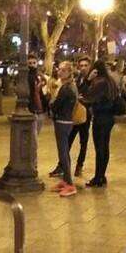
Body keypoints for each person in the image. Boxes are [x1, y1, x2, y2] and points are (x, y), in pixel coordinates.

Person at [85, 60, 118, 187]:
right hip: (110, 117)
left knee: (99, 148)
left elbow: (88, 96)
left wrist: (88, 80)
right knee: (105, 146)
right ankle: (102, 175)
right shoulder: (111, 81)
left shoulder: (100, 82)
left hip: (100, 117)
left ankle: (98, 177)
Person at [49, 61, 78, 197]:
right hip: (65, 120)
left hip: (63, 121)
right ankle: (66, 180)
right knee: (64, 151)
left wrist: (51, 102)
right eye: (59, 69)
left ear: (69, 72)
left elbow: (56, 105)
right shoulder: (68, 86)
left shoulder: (67, 88)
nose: (59, 72)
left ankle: (70, 184)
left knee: (63, 153)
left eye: (63, 70)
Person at [65, 56, 93, 176]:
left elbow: (89, 95)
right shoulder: (78, 78)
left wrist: (87, 83)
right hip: (75, 113)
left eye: (86, 65)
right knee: (68, 140)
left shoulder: (93, 80)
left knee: (83, 141)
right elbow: (76, 94)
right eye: (81, 66)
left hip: (86, 115)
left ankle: (79, 165)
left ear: (90, 66)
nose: (83, 68)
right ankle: (63, 165)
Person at [27, 54, 47, 134]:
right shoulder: (28, 76)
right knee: (33, 132)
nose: (32, 65)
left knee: (36, 131)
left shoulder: (38, 75)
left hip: (39, 105)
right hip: (32, 106)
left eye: (34, 63)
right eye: (30, 63)